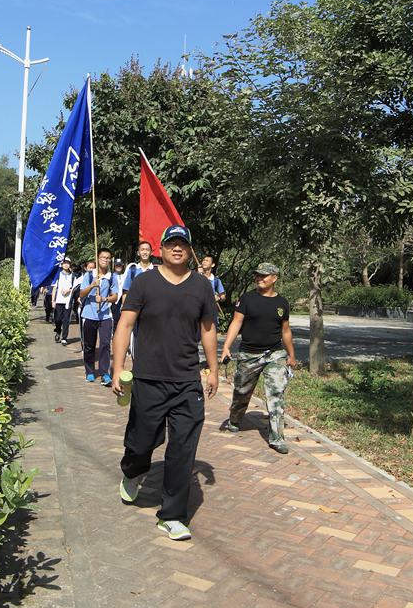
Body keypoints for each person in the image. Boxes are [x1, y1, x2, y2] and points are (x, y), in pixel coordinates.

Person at [112, 225, 218, 541]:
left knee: (183, 448)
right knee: (142, 441)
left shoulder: (201, 286)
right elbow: (125, 325)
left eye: (182, 243)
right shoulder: (144, 282)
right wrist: (118, 367)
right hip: (149, 379)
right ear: (161, 248)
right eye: (171, 243)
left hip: (187, 380)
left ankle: (171, 515)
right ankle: (134, 471)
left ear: (189, 250)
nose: (177, 248)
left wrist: (213, 369)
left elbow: (208, 329)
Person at [219, 262, 297, 454]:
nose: (259, 278)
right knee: (242, 391)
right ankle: (235, 419)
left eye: (264, 275)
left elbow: (286, 330)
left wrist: (291, 354)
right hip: (249, 354)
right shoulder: (247, 299)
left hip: (275, 354)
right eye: (257, 275)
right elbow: (236, 323)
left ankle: (277, 438)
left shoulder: (282, 303)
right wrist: (226, 346)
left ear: (274, 278)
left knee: (276, 394)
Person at [78, 249, 118, 386]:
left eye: (108, 258)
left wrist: (104, 299)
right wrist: (92, 285)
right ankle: (89, 371)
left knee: (105, 344)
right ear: (97, 258)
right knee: (89, 345)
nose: (105, 260)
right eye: (103, 257)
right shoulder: (90, 275)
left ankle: (104, 373)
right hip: (89, 315)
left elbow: (115, 297)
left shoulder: (112, 277)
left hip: (105, 315)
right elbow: (82, 294)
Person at [122, 241, 155, 357]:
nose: (145, 252)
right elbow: (126, 292)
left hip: (152, 313)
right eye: (142, 250)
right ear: (138, 252)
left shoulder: (156, 270)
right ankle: (136, 365)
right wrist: (124, 310)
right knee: (135, 342)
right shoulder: (133, 270)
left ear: (151, 252)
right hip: (135, 313)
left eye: (147, 250)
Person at [50, 258, 76, 343]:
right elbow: (54, 288)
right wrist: (53, 300)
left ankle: (64, 337)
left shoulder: (73, 276)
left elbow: (75, 288)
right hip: (59, 300)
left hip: (68, 301)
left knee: (66, 320)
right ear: (61, 264)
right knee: (57, 319)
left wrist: (69, 290)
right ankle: (58, 331)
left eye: (68, 263)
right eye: (64, 263)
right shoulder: (58, 275)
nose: (66, 265)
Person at [111, 258, 126, 323]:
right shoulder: (111, 276)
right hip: (114, 300)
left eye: (120, 265)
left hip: (123, 300)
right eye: (117, 265)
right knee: (115, 320)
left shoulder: (125, 276)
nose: (118, 267)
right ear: (114, 266)